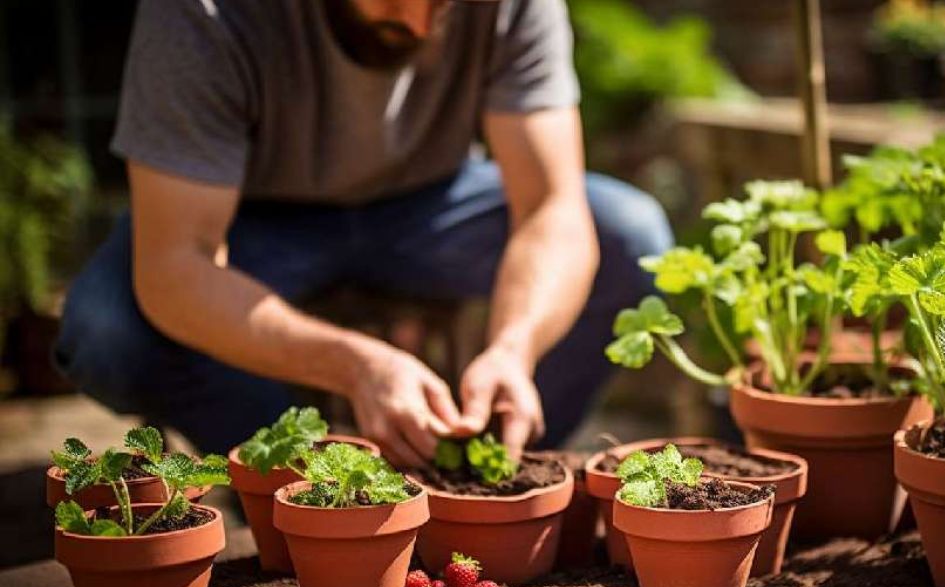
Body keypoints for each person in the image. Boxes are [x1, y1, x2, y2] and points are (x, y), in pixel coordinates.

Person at [54, 0, 672, 467]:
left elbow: (550, 209)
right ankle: (295, 472)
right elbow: (176, 266)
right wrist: (354, 366)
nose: (423, 27)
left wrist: (515, 346)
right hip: (253, 216)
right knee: (108, 331)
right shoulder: (202, 14)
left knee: (632, 239)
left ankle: (493, 464)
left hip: (433, 202)